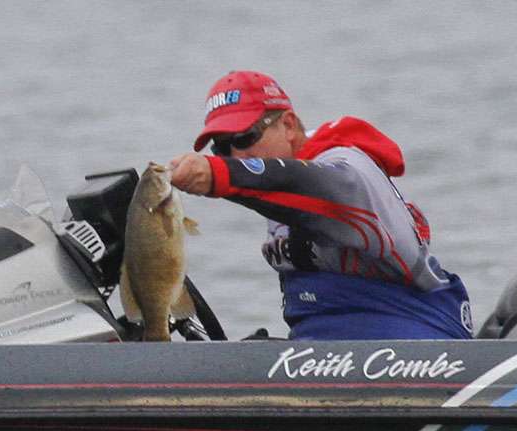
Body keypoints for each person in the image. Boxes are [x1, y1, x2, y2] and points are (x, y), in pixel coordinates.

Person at [169, 70, 473, 340]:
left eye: (245, 137)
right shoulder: (273, 182)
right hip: (328, 344)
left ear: (288, 125)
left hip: (417, 332)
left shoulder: (346, 166)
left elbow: (313, 183)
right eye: (222, 148)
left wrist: (219, 174)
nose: (236, 156)